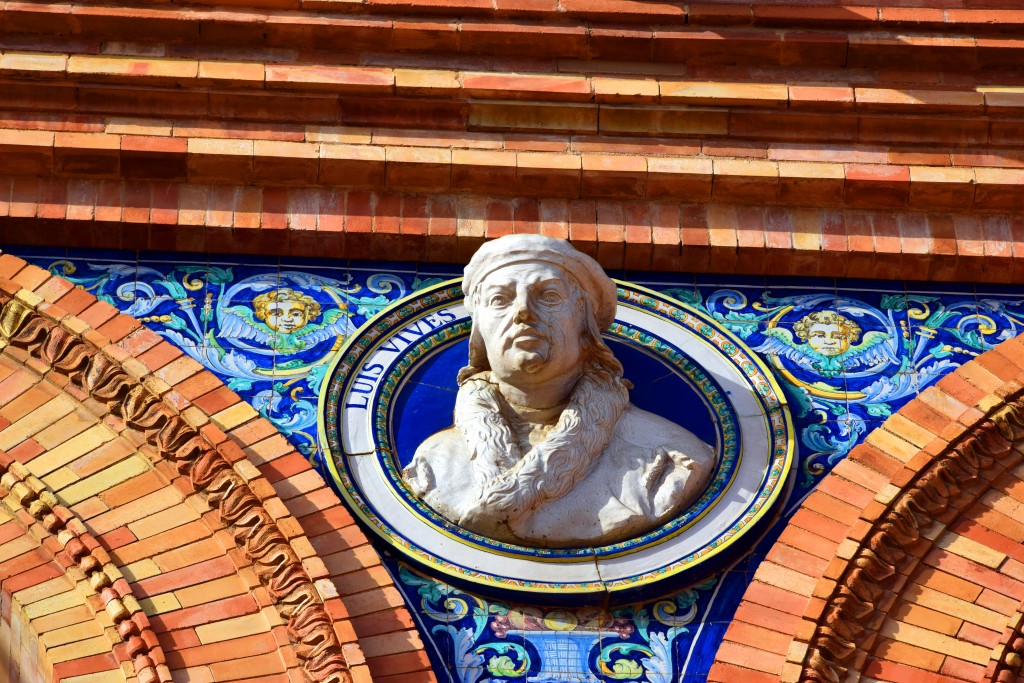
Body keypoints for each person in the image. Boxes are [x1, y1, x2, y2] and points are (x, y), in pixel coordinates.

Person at [402, 235, 714, 547]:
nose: (523, 312)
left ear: (584, 326)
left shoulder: (668, 460)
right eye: (500, 300)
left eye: (549, 296)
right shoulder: (435, 462)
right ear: (479, 332)